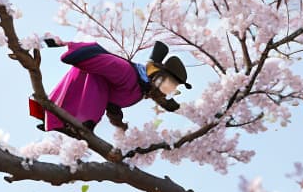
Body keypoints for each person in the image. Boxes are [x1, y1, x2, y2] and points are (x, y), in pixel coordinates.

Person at [29, 39, 191, 133]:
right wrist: (67, 50)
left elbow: (112, 104)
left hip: (82, 116)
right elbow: (96, 58)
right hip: (81, 98)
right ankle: (72, 122)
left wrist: (120, 124)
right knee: (98, 83)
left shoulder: (138, 91)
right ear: (159, 76)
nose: (167, 93)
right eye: (169, 86)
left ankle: (72, 124)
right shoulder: (126, 73)